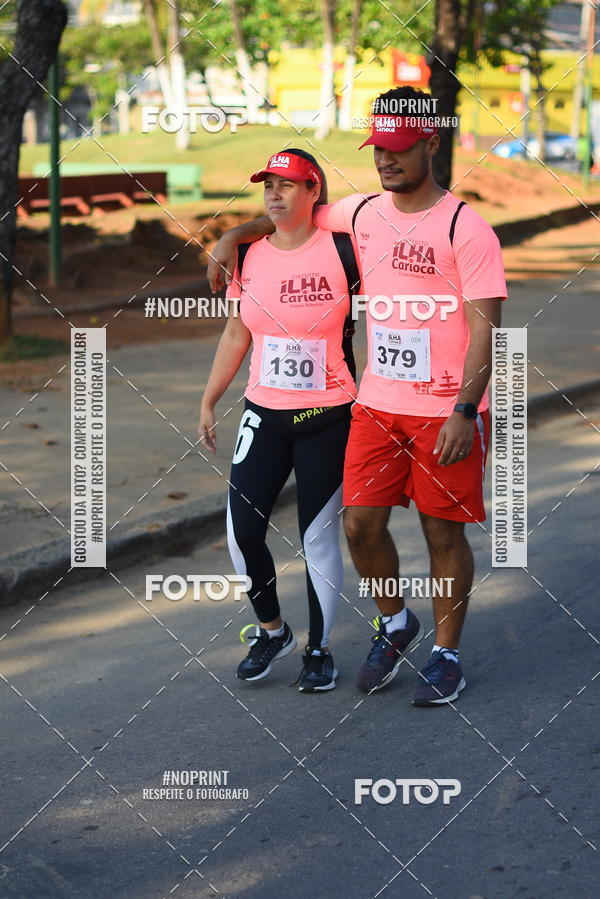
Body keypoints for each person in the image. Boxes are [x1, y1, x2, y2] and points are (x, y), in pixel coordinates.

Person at [207, 86, 508, 707]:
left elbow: (487, 327)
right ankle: (396, 620)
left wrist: (462, 409)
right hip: (376, 403)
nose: (385, 160)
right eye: (379, 148)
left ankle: (446, 655)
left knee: (440, 533)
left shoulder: (467, 229)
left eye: (399, 148)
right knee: (358, 525)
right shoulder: (362, 213)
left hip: (444, 410)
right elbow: (293, 217)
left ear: (432, 142)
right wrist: (233, 232)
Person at [198, 148, 361, 692]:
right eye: (268, 184)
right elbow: (236, 333)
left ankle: (319, 649)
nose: (274, 192)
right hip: (263, 413)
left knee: (317, 538)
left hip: (330, 415)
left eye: (288, 185)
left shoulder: (345, 250)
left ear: (314, 191)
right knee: (241, 531)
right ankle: (273, 631)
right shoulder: (248, 257)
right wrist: (208, 399)